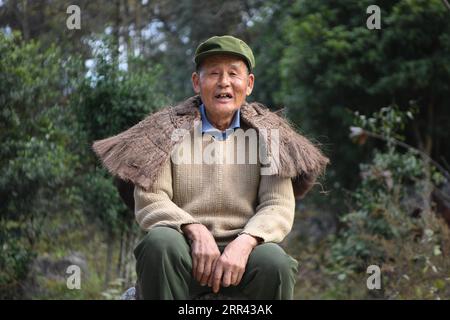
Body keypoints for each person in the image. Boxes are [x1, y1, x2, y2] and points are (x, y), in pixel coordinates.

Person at [93, 35, 329, 300]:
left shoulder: (269, 135)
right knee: (159, 243)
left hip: (242, 259)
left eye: (233, 74)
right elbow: (151, 198)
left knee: (275, 262)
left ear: (248, 84)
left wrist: (246, 241)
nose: (224, 82)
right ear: (197, 82)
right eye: (214, 73)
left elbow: (278, 206)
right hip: (183, 254)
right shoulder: (166, 131)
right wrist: (194, 230)